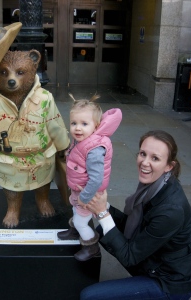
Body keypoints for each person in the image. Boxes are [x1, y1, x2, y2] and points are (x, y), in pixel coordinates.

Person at [79, 130, 191, 299]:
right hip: (157, 261)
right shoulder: (155, 185)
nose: (145, 163)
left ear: (169, 166)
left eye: (155, 158)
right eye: (143, 154)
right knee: (102, 231)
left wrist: (102, 213)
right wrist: (102, 204)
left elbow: (130, 256)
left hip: (172, 282)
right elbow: (132, 223)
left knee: (89, 296)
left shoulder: (171, 211)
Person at [57, 94, 122, 261]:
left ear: (96, 126)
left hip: (89, 194)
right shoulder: (83, 140)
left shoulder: (94, 150)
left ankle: (90, 245)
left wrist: (85, 198)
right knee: (74, 209)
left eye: (84, 124)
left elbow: (96, 179)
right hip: (79, 189)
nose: (77, 128)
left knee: (81, 221)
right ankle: (75, 231)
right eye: (74, 123)